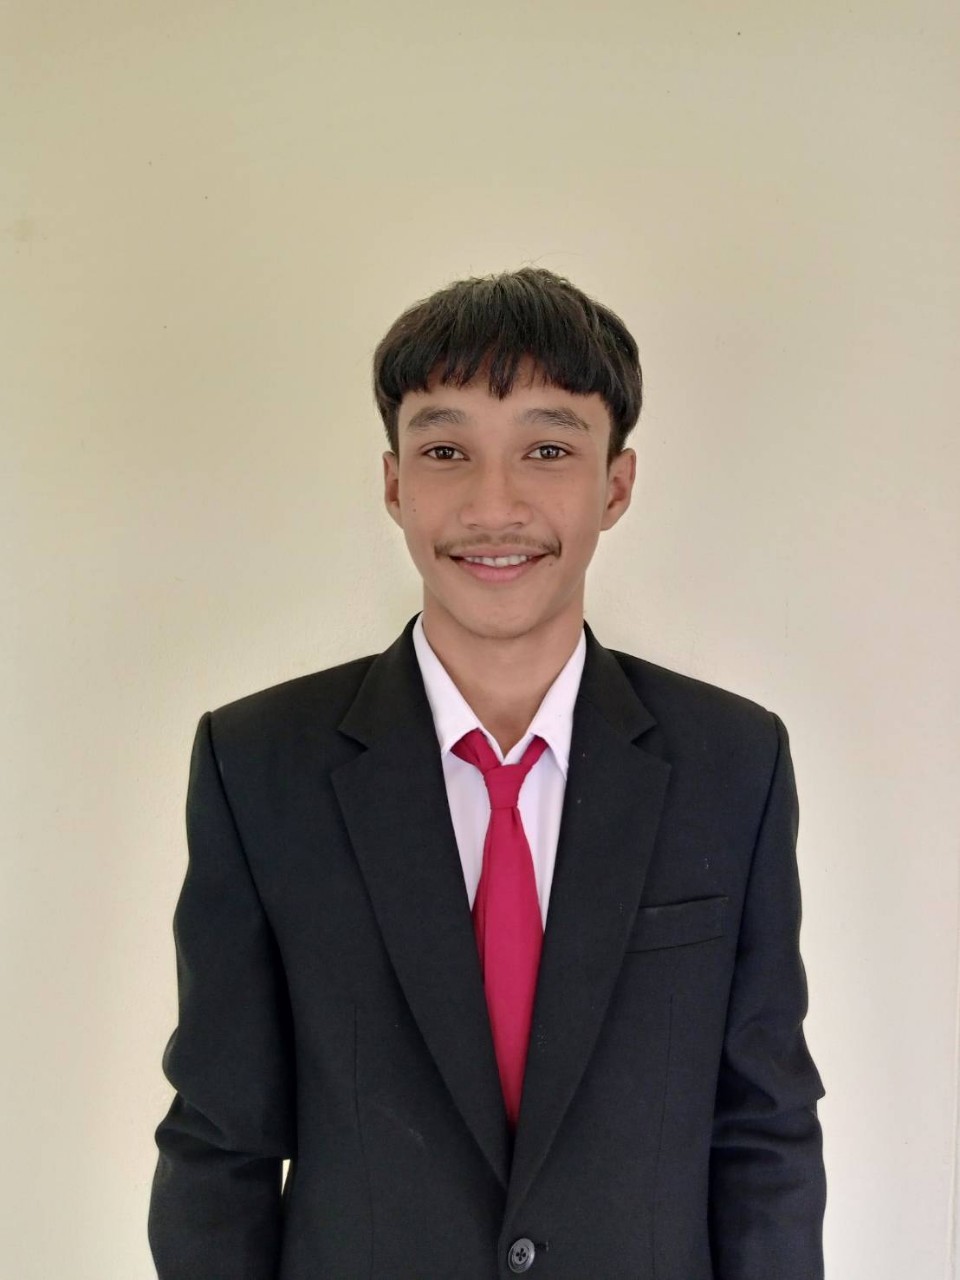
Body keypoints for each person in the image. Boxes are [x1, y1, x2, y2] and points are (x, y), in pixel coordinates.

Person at [148, 266, 826, 1279]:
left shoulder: (732, 763)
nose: (493, 503)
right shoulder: (258, 765)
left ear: (616, 484)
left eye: (548, 449)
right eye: (446, 450)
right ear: (394, 483)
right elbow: (220, 1144)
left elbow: (765, 1131)